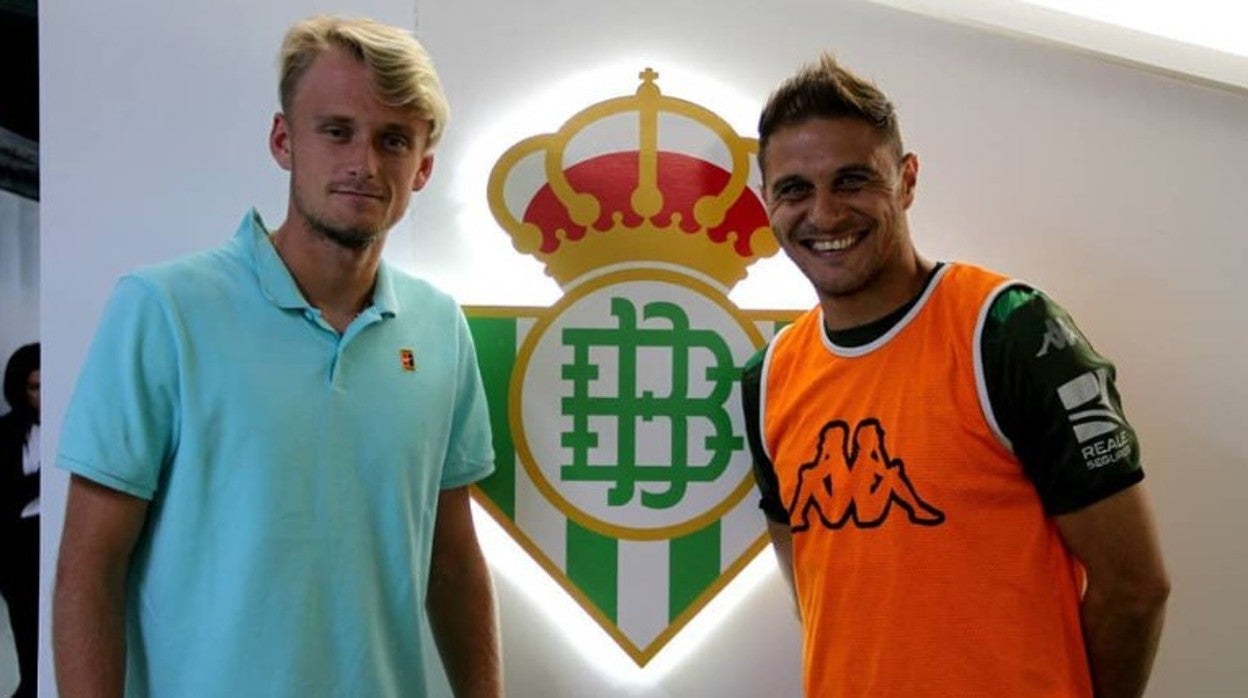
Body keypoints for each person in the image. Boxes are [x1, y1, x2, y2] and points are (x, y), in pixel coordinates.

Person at [53, 16, 501, 698]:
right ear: (283, 141)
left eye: (393, 140)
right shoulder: (164, 310)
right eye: (337, 131)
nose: (364, 164)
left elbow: (453, 558)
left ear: (423, 168)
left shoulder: (440, 327)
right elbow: (90, 567)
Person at [742, 53, 1170, 698]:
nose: (824, 214)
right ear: (766, 202)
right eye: (795, 189)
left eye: (853, 180)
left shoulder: (1009, 331)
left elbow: (1134, 589)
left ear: (907, 180)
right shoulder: (768, 377)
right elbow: (815, 590)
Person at [0, 342, 40, 698]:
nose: (42, 396)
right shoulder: (7, 433)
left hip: (60, 545)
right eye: (34, 387)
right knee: (29, 646)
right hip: (18, 554)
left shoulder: (76, 425)